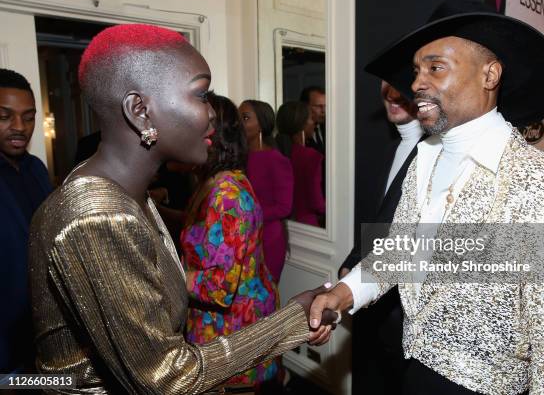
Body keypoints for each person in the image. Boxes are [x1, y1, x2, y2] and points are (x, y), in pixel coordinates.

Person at [28, 24, 335, 394]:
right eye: (201, 94)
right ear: (140, 110)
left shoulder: (129, 194)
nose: (212, 114)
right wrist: (291, 320)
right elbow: (167, 379)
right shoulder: (100, 215)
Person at [310, 0, 544, 394]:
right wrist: (343, 292)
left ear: (490, 75)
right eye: (417, 71)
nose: (418, 82)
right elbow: (400, 251)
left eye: (435, 67)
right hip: (412, 372)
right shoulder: (424, 160)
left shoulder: (540, 179)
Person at [181, 94, 282, 393]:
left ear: (212, 137)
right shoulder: (216, 183)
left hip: (234, 325)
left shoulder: (227, 195)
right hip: (223, 322)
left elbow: (218, 287)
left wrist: (168, 274)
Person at [338, 81, 423, 394]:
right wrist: (351, 263)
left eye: (399, 83)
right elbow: (378, 223)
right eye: (385, 85)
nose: (391, 93)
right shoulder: (389, 150)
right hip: (374, 300)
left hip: (407, 308)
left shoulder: (436, 154)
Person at [0, 69, 52, 378]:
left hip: (40, 341)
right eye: (4, 116)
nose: (20, 127)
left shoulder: (36, 169)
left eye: (29, 117)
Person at [239, 99, 293, 283]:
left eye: (245, 117)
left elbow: (284, 208)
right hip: (242, 237)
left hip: (267, 240)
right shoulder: (239, 157)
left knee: (264, 301)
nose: (239, 122)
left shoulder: (275, 159)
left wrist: (247, 214)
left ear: (261, 123)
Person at [276, 101, 325, 227]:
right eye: (310, 118)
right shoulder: (311, 156)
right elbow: (317, 202)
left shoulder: (275, 152)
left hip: (283, 225)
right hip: (307, 226)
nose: (314, 122)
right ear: (301, 125)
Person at [300, 86, 325, 155]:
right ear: (305, 106)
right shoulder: (298, 133)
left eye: (326, 106)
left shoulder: (331, 129)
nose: (323, 110)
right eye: (318, 106)